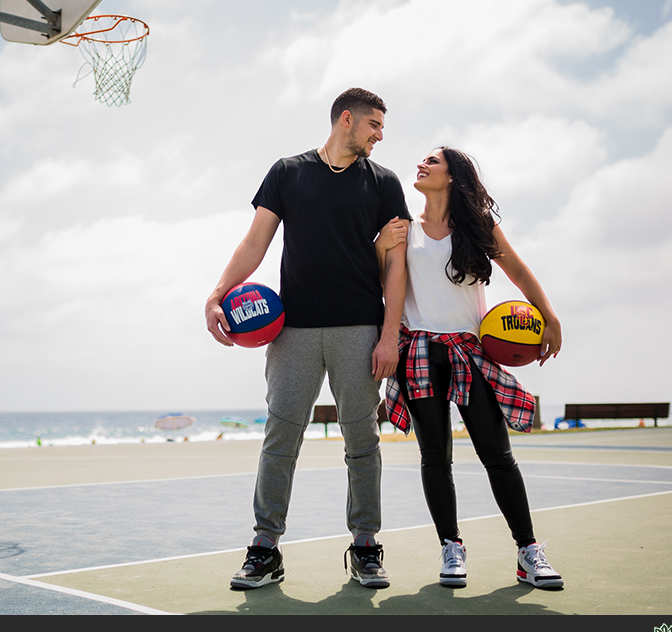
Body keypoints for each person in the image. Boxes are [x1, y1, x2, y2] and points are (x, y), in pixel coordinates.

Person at [205, 88, 410, 590]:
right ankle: (264, 549)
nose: (380, 135)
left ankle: (365, 546)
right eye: (374, 126)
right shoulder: (287, 172)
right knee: (280, 439)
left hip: (360, 328)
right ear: (347, 119)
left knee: (362, 441)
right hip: (292, 330)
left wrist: (389, 336)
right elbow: (255, 242)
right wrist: (216, 295)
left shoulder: (384, 183)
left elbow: (396, 265)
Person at [376, 146, 564, 590]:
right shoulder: (402, 228)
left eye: (432, 161)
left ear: (453, 177)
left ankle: (529, 551)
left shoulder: (478, 228)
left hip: (468, 349)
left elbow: (517, 268)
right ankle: (451, 546)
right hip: (419, 350)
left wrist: (549, 316)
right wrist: (388, 337)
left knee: (497, 456)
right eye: (422, 160)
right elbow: (390, 286)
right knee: (434, 457)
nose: (421, 164)